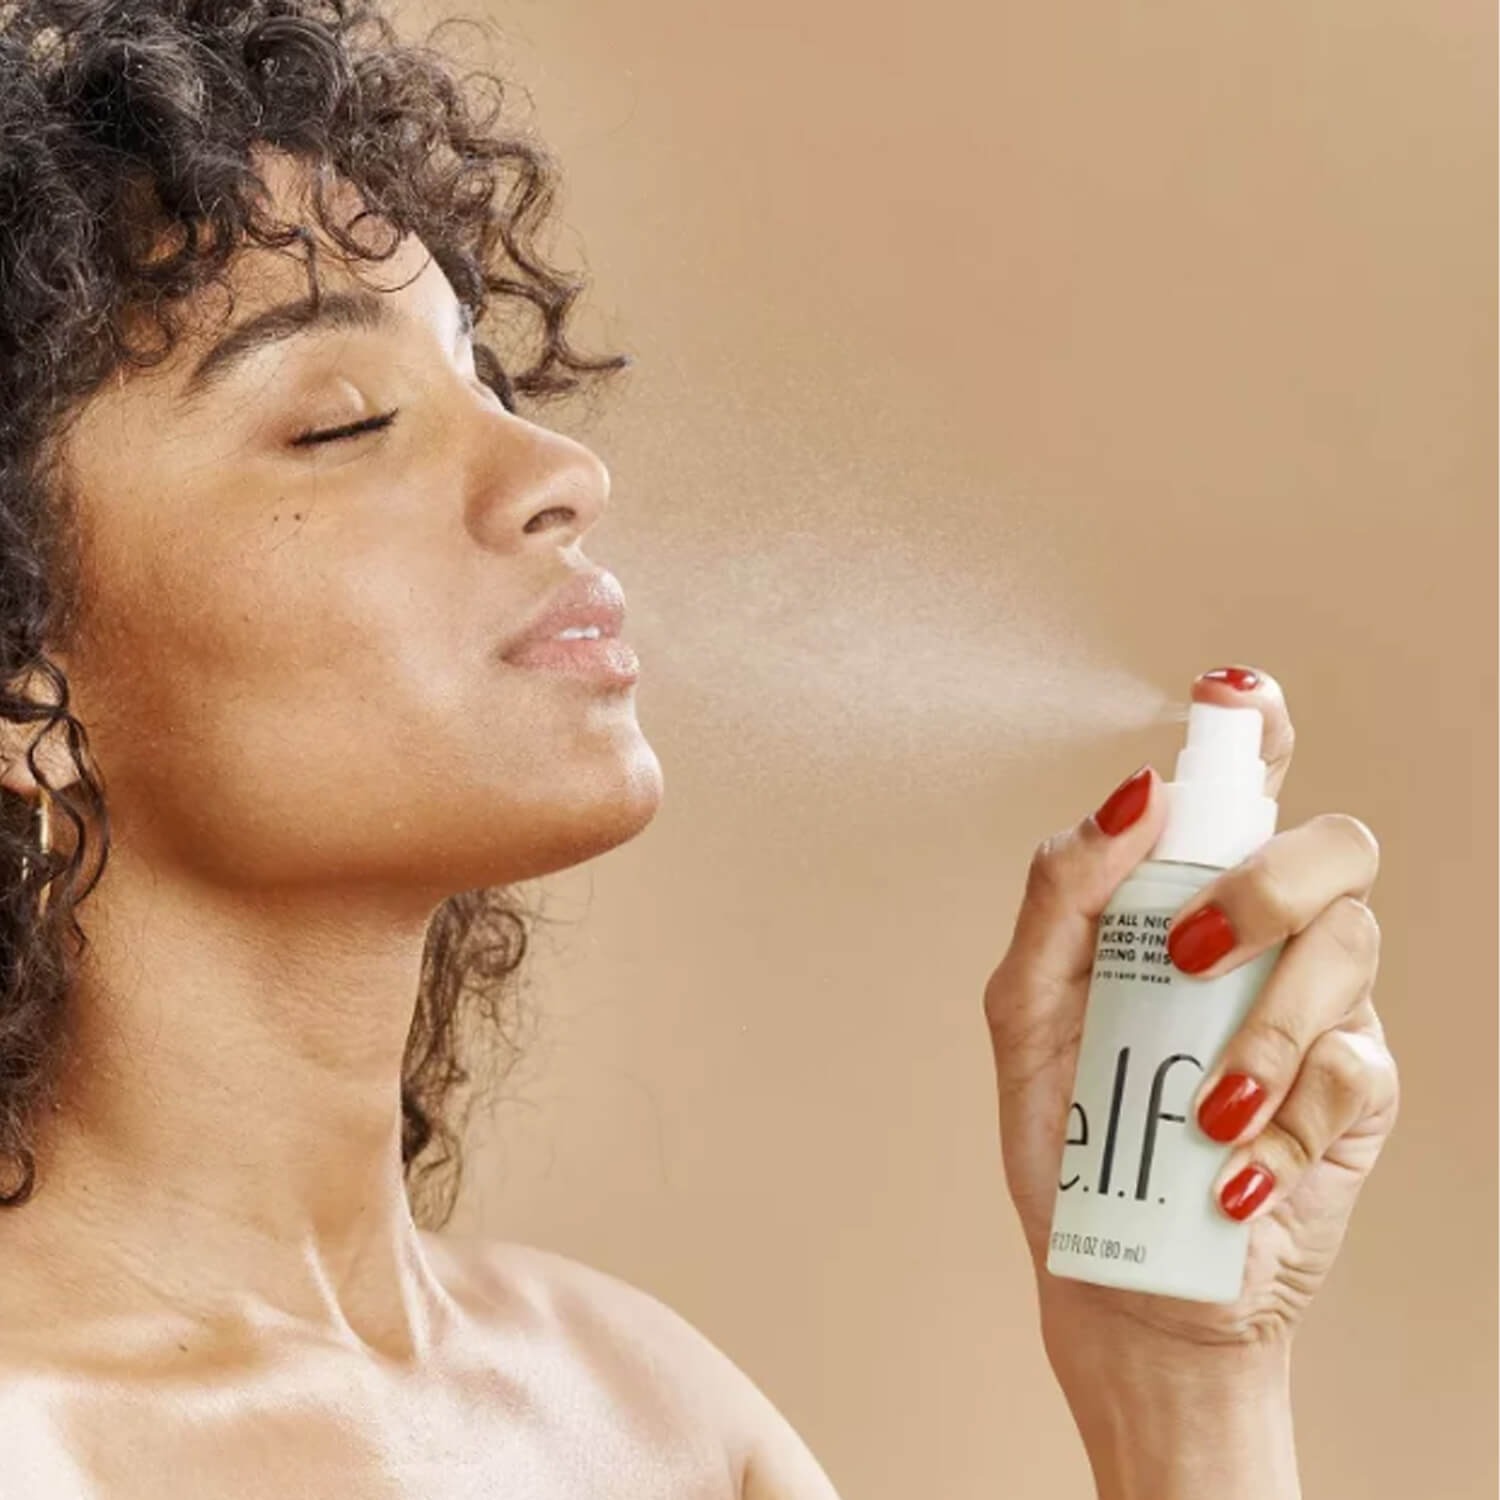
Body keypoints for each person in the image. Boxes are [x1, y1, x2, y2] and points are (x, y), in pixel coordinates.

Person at [0, 5, 1399, 1496]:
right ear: (27, 697)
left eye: (487, 382)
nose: (565, 471)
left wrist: (1180, 1382)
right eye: (341, 423)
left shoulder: (652, 1413)